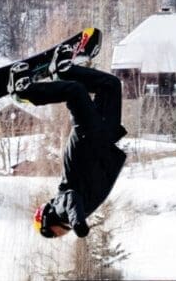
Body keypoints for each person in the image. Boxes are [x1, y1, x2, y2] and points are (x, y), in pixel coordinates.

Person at [17, 60, 127, 239]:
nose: (60, 236)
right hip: (102, 141)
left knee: (75, 92)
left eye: (54, 234)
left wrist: (79, 225)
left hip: (89, 141)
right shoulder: (69, 212)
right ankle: (63, 70)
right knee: (110, 85)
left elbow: (72, 199)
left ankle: (25, 92)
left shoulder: (60, 210)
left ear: (48, 223)